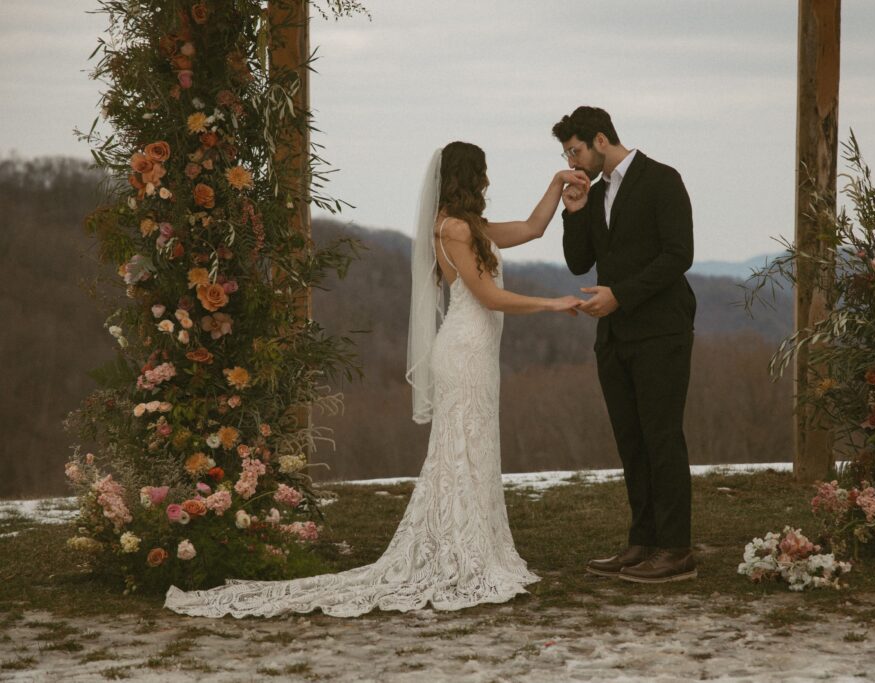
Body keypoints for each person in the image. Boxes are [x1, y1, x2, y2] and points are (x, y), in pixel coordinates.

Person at [164, 141, 588, 617]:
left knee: (476, 449)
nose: (487, 181)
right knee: (459, 450)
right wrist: (552, 304)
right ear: (469, 178)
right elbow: (487, 297)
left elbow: (532, 229)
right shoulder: (452, 230)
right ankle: (458, 553)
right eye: (483, 173)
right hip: (464, 352)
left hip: (479, 356)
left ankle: (476, 547)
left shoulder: (474, 229)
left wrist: (556, 185)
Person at [553, 106, 698, 583]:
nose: (572, 162)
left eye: (574, 150)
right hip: (613, 337)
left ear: (600, 139)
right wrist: (573, 213)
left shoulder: (662, 179)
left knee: (662, 438)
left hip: (661, 330)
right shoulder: (594, 197)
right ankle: (643, 542)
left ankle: (676, 550)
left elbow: (679, 254)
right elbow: (579, 264)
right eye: (566, 154)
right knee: (631, 442)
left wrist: (621, 295)